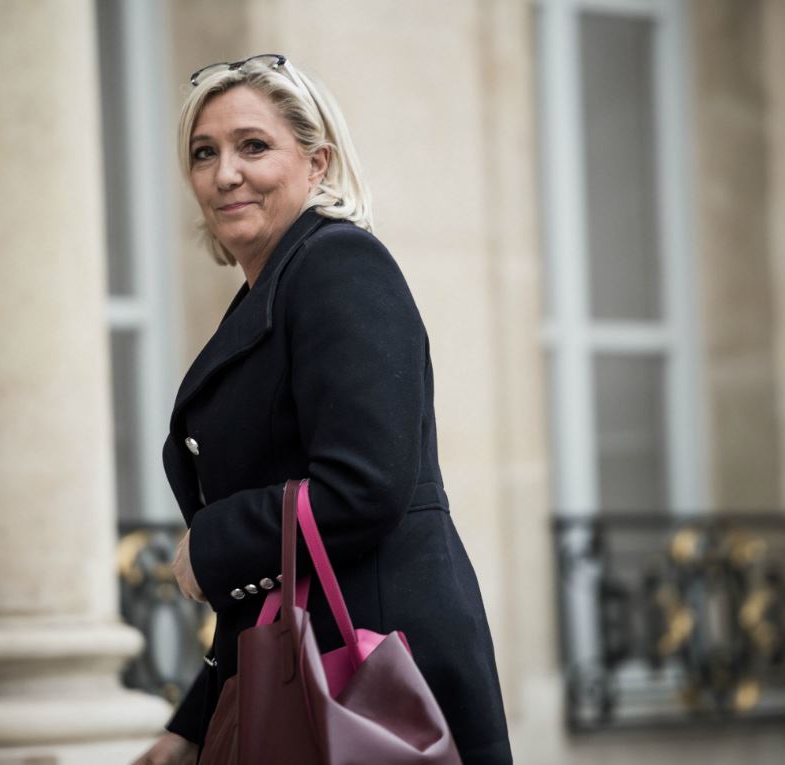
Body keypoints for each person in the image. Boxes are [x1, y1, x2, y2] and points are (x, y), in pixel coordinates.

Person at [132, 54, 511, 765]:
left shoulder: (339, 266)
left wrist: (211, 545)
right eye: (203, 153)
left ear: (316, 163)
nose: (225, 174)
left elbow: (362, 485)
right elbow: (289, 573)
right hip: (322, 673)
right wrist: (194, 723)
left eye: (253, 146)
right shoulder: (276, 289)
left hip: (373, 677)